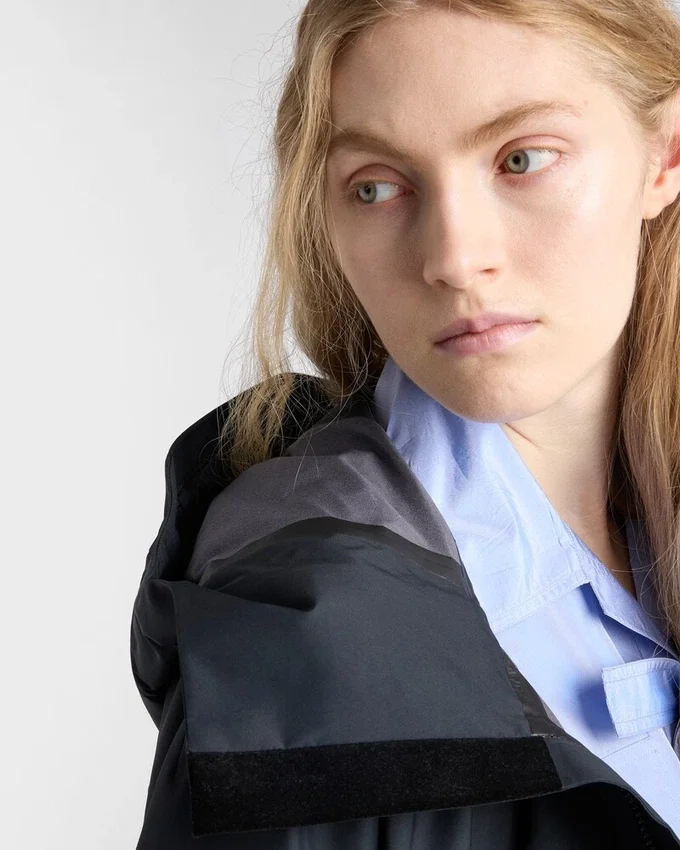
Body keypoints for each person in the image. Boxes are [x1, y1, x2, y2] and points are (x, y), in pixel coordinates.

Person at [130, 1, 680, 847]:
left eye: (522, 158)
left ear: (665, 155)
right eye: (377, 187)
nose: (454, 259)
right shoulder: (299, 638)